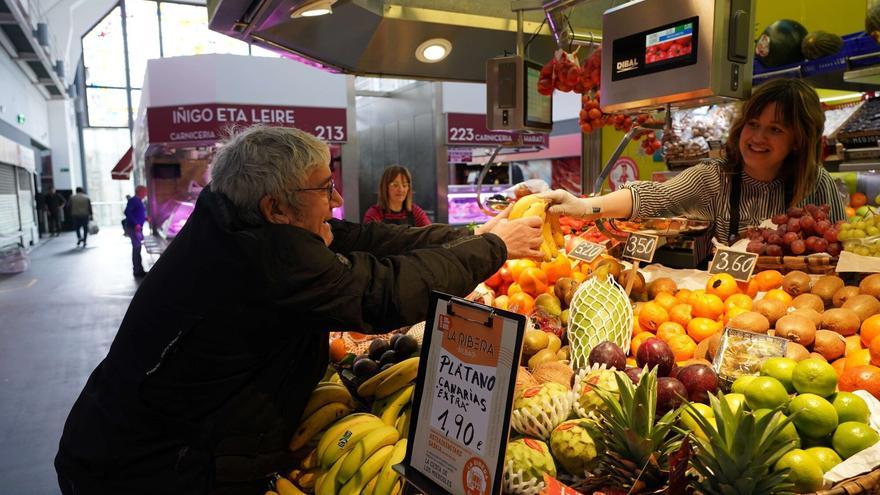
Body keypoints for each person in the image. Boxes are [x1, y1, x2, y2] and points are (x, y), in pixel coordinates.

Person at [55, 125, 543, 495]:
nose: (336, 199)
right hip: (146, 470)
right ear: (276, 207)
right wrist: (494, 249)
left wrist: (474, 234)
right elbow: (382, 294)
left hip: (135, 445)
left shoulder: (239, 222)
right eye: (324, 188)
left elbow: (367, 237)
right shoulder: (262, 258)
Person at [539, 78, 846, 250]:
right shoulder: (713, 177)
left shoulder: (817, 184)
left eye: (775, 129)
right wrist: (584, 206)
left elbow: (839, 248)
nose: (757, 137)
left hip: (802, 313)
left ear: (798, 140)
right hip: (725, 307)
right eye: (753, 124)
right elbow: (652, 197)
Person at [363, 165, 431, 226]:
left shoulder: (415, 212)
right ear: (385, 187)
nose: (401, 189)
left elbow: (430, 232)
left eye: (404, 185)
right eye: (395, 185)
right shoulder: (374, 214)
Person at [124, 185, 148, 277]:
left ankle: (139, 269)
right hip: (134, 228)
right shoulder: (133, 200)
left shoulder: (138, 201)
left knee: (138, 248)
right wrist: (136, 223)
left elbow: (137, 212)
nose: (146, 194)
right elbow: (127, 212)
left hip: (137, 227)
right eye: (145, 192)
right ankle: (137, 270)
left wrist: (145, 218)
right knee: (137, 248)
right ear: (140, 192)